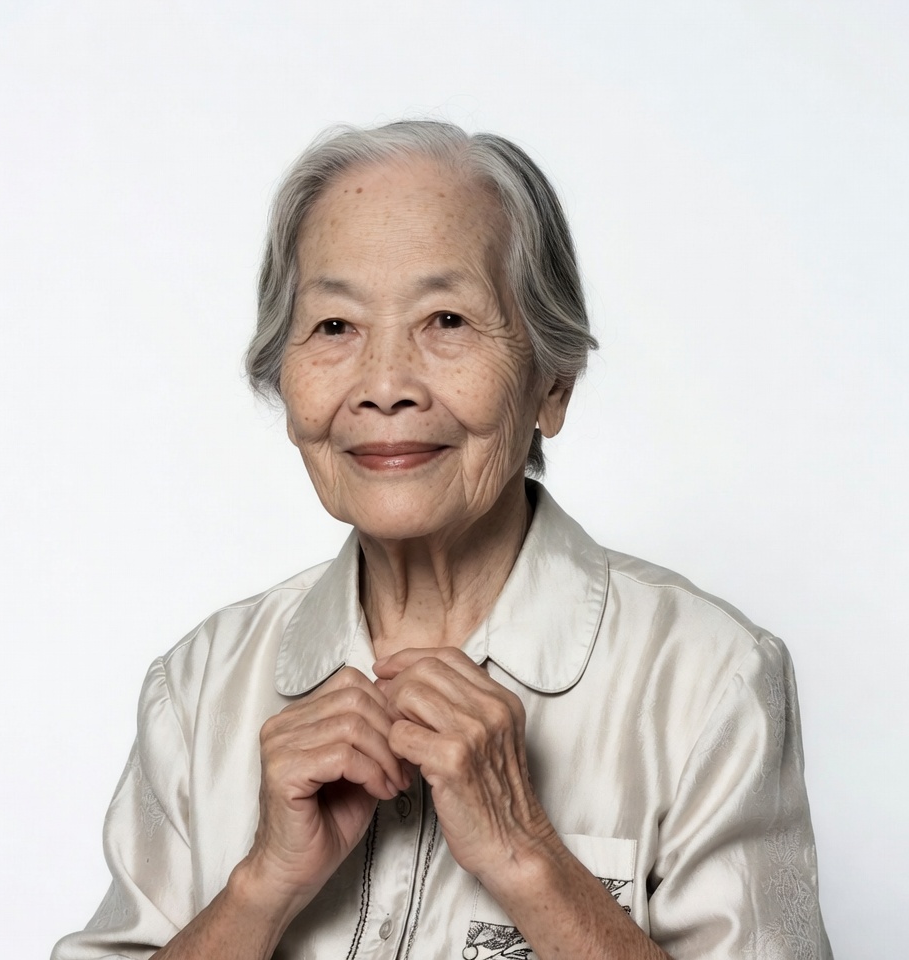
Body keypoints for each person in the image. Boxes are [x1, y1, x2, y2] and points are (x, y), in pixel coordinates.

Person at [52, 120, 832, 960]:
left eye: (448, 319)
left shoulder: (710, 678)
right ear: (284, 382)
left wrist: (527, 856)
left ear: (553, 382)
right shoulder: (201, 687)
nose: (385, 387)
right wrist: (262, 886)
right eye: (335, 327)